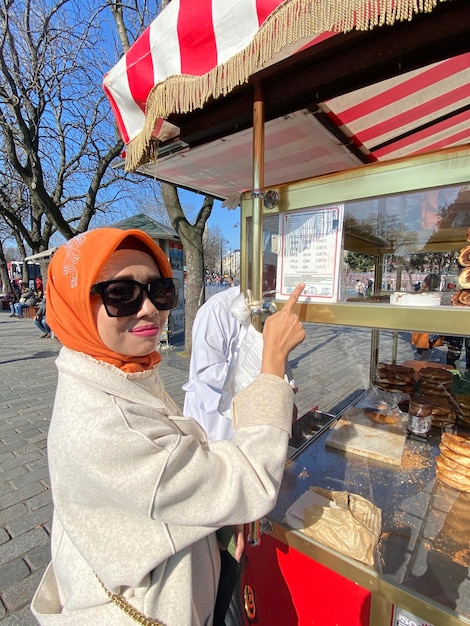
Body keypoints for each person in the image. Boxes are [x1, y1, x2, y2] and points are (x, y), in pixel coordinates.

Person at [31, 228, 305, 626]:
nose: (147, 309)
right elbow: (248, 481)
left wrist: (215, 517)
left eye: (159, 290)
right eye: (120, 294)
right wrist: (271, 363)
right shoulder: (113, 423)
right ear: (75, 305)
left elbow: (161, 487)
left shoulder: (108, 371)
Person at [411, 273, 443, 359]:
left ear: (425, 283)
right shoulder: (438, 295)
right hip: (433, 327)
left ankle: (421, 363)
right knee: (427, 348)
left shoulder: (422, 295)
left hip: (423, 327)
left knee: (422, 351)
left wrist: (422, 289)